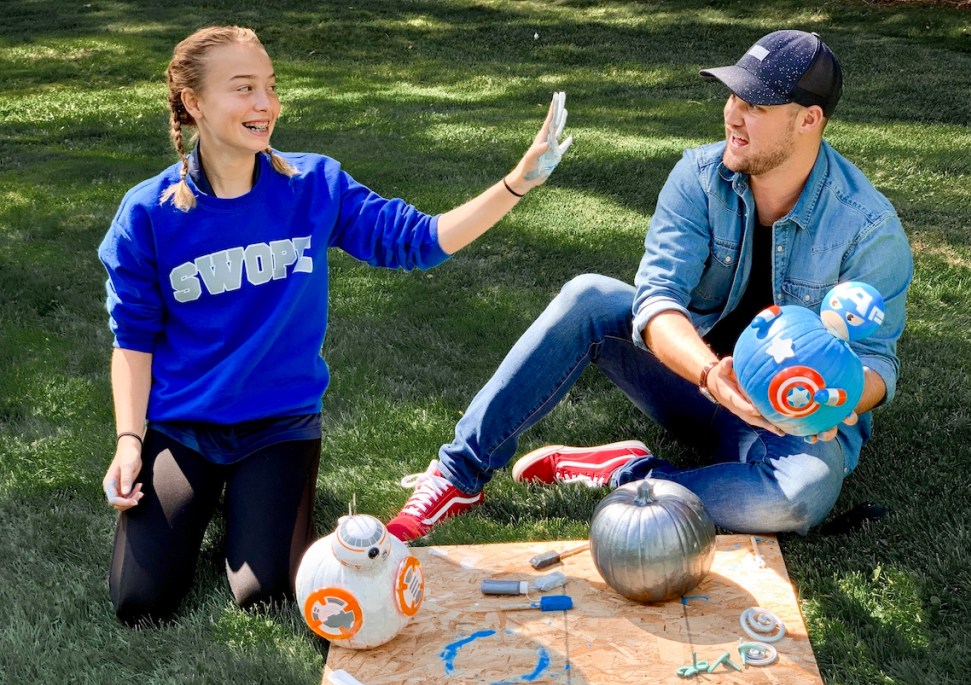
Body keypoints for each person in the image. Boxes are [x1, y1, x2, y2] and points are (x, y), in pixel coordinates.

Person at [99, 25, 573, 626]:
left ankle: (252, 500)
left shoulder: (314, 185)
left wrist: (515, 184)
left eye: (270, 88)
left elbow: (418, 242)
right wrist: (129, 444)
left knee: (264, 590)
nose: (265, 105)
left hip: (277, 426)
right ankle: (207, 495)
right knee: (139, 602)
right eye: (243, 89)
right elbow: (133, 340)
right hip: (183, 426)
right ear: (193, 102)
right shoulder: (148, 212)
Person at [385, 29, 913, 542]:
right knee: (588, 296)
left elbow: (876, 364)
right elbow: (657, 300)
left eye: (756, 105)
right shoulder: (699, 177)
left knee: (800, 497)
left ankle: (631, 475)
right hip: (693, 381)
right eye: (733, 96)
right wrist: (710, 375)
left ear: (809, 119)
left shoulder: (867, 227)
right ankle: (458, 475)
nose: (732, 114)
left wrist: (831, 401)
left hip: (786, 423)